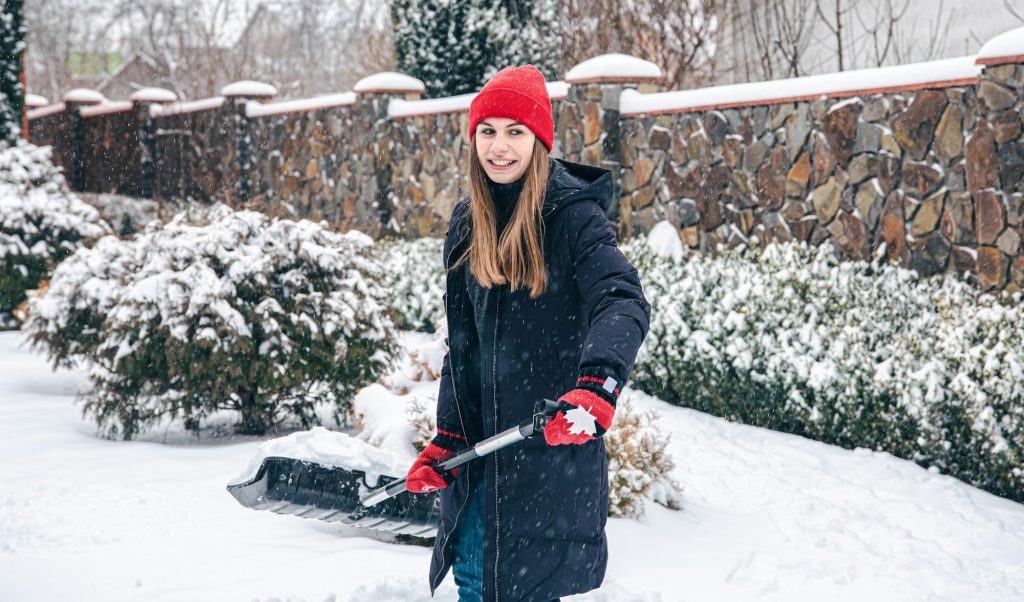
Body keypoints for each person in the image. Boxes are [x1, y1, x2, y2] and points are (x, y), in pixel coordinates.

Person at [404, 64, 651, 602]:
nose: (499, 147)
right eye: (487, 131)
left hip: (547, 463)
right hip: (479, 472)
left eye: (515, 131)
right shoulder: (468, 223)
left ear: (539, 140)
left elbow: (622, 300)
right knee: (475, 584)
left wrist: (597, 385)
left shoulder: (574, 219)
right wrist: (449, 435)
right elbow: (462, 346)